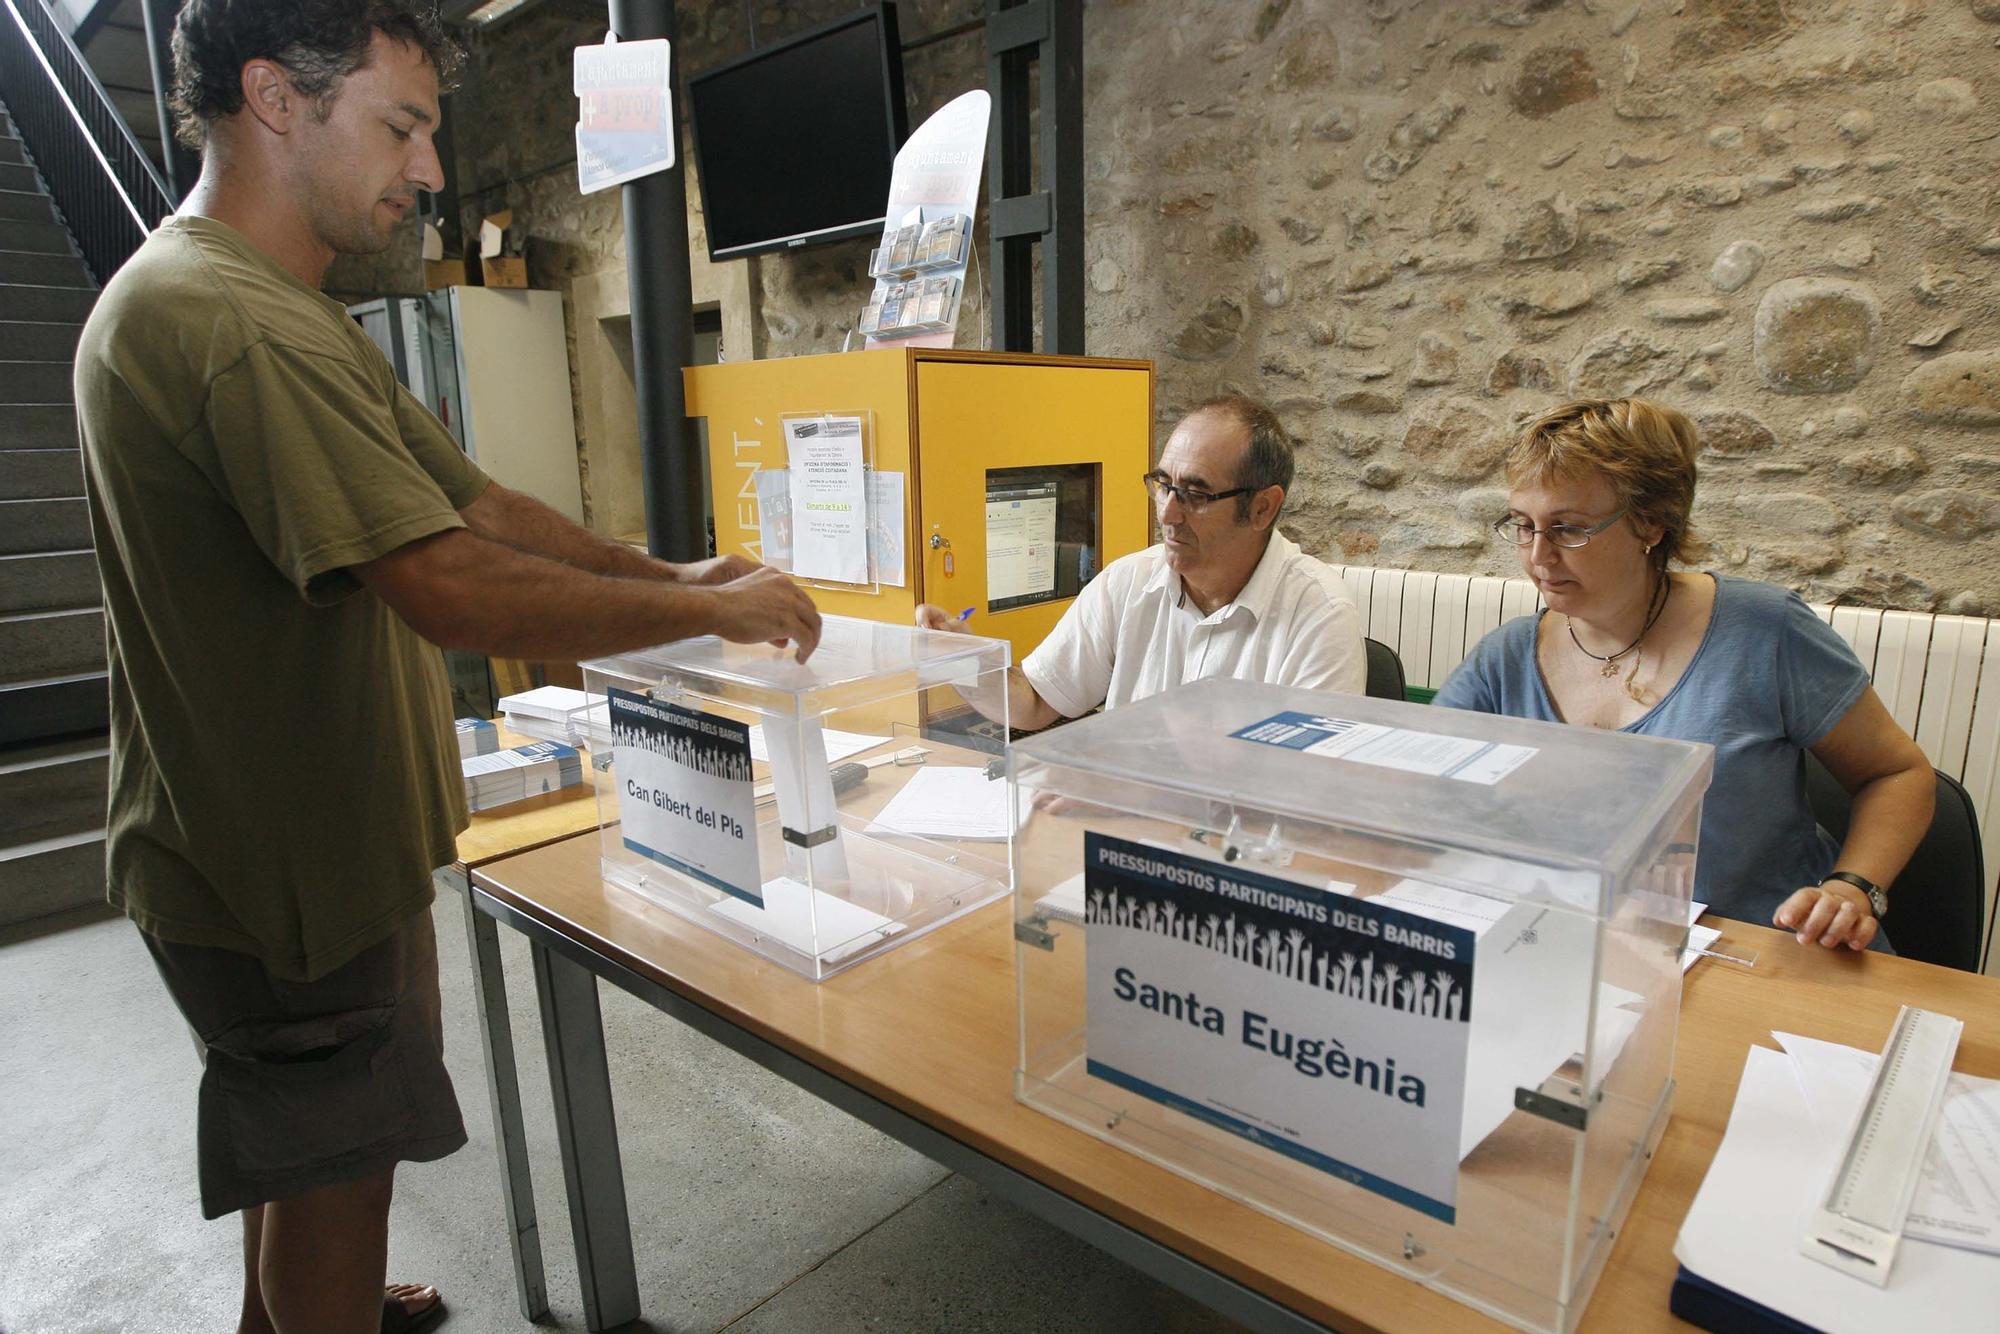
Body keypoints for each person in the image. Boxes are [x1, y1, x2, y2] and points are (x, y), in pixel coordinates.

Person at [75, 4, 820, 1331]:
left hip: (289, 848)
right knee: (335, 1165)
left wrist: (678, 575)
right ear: (279, 98)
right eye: (403, 126)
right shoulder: (230, 321)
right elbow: (450, 587)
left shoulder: (272, 305)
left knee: (305, 1154)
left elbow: (468, 503)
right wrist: (707, 625)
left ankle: (317, 1297)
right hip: (279, 869)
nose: (429, 171)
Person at [1434, 398, 1932, 952]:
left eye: (1568, 529)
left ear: (1652, 522)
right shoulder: (1503, 659)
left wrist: (1854, 887)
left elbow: (1896, 774)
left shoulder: (1766, 631)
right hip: (1594, 950)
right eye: (1523, 526)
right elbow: (1416, 788)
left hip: (1771, 952)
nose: (1537, 556)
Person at [916, 395, 1365, 728]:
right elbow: (1033, 702)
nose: (1168, 512)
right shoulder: (1129, 583)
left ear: (1263, 508)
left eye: (1195, 494)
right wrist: (966, 661)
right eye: (1163, 485)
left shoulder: (1319, 616)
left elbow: (1307, 789)